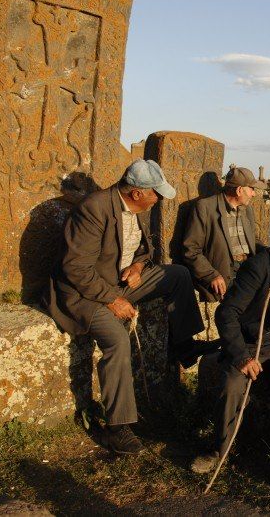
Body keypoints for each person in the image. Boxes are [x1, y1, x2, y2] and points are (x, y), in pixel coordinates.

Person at [44, 159, 206, 455]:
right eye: (155, 194)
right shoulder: (94, 209)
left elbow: (145, 250)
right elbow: (76, 269)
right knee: (117, 339)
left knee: (179, 275)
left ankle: (184, 346)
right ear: (137, 193)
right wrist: (112, 299)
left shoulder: (135, 209)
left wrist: (139, 266)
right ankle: (117, 428)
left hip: (120, 282)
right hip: (84, 294)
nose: (158, 200)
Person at [190, 215, 270, 495]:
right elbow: (227, 313)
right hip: (252, 341)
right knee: (233, 381)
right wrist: (241, 356)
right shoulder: (259, 266)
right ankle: (219, 448)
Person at [182, 167, 265, 303]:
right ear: (239, 190)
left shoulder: (247, 209)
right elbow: (191, 249)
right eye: (252, 189)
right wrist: (211, 275)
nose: (254, 194)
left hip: (248, 270)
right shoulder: (205, 208)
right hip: (225, 272)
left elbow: (252, 240)